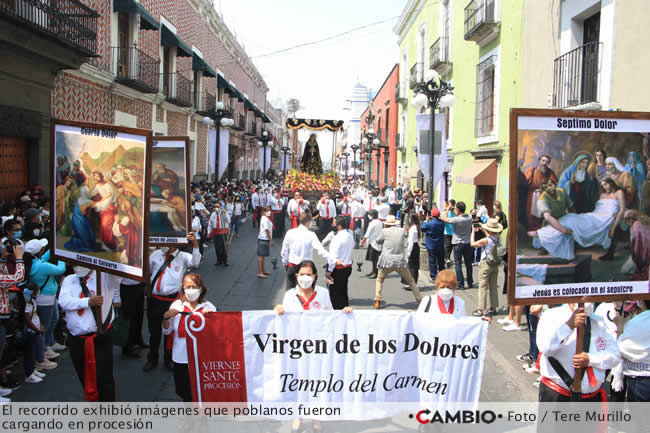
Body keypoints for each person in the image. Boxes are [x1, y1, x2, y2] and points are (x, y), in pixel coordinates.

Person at [274, 260, 351, 433]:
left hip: (318, 348)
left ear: (315, 276)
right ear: (296, 276)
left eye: (309, 274)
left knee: (317, 382)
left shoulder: (323, 294)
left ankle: (316, 417)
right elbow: (281, 317)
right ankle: (298, 416)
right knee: (298, 383)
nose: (305, 278)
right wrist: (277, 308)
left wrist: (344, 313)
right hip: (296, 348)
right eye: (302, 274)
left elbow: (332, 316)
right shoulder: (289, 295)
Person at [59, 267, 122, 401]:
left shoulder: (105, 277)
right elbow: (63, 302)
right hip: (76, 339)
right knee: (83, 374)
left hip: (100, 338)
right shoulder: (70, 280)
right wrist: (87, 302)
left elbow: (120, 273)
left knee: (104, 379)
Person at [536, 304, 620, 403]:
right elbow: (545, 347)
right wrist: (568, 326)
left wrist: (590, 359)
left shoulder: (599, 321)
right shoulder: (551, 316)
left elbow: (615, 355)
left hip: (591, 398)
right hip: (557, 394)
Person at [530, 178, 625, 261]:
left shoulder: (618, 193)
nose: (604, 187)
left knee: (570, 219)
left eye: (605, 184)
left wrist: (614, 225)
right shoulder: (602, 195)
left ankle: (542, 233)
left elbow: (622, 209)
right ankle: (544, 234)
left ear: (611, 183)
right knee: (570, 218)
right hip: (595, 216)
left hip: (605, 218)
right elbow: (597, 210)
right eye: (602, 185)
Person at [144, 234, 200, 372]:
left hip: (172, 301)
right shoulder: (156, 254)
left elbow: (196, 262)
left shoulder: (182, 257)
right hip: (155, 300)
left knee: (169, 332)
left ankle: (169, 358)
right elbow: (148, 272)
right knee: (154, 332)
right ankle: (152, 358)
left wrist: (195, 244)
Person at [162, 274, 216, 402]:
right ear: (183, 288)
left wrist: (211, 319)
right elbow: (166, 331)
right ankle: (189, 418)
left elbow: (214, 335)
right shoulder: (177, 306)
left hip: (200, 358)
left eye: (194, 287)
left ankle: (201, 417)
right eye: (188, 287)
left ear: (201, 289)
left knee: (200, 391)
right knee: (183, 390)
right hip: (181, 357)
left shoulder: (208, 307)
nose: (191, 290)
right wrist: (166, 317)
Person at [24, 239, 66, 359]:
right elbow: (60, 270)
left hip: (47, 297)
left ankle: (48, 344)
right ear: (39, 251)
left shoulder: (33, 262)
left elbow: (46, 256)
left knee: (53, 319)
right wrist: (62, 256)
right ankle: (42, 353)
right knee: (44, 326)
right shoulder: (41, 266)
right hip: (45, 298)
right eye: (43, 248)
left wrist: (56, 247)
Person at [372, 215, 423, 309]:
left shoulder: (384, 231)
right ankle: (419, 299)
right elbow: (405, 242)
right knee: (411, 281)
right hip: (399, 261)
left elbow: (378, 241)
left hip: (386, 261)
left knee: (380, 279)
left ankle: (377, 300)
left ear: (386, 224)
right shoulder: (401, 231)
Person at [280, 213, 332, 290]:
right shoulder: (311, 235)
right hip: (306, 269)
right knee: (307, 292)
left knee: (290, 292)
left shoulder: (290, 233)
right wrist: (332, 259)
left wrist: (285, 264)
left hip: (292, 266)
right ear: (308, 222)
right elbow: (320, 250)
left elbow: (284, 251)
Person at [471, 218, 503, 319]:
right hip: (495, 263)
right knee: (493, 287)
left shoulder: (486, 240)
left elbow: (473, 244)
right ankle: (493, 308)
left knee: (483, 286)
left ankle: (481, 309)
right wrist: (484, 229)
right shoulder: (498, 239)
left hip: (486, 263)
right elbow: (490, 235)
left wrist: (473, 232)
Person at [440, 201, 474, 289]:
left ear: (458, 209)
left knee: (458, 264)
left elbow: (444, 218)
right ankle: (470, 282)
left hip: (458, 243)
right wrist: (453, 210)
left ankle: (461, 283)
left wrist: (446, 210)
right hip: (467, 243)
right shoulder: (469, 217)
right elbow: (459, 214)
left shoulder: (456, 219)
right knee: (468, 263)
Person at [523, 154, 559, 231]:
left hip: (544, 196)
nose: (544, 163)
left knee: (543, 214)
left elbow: (555, 183)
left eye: (547, 162)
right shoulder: (531, 170)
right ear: (539, 161)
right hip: (533, 195)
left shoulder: (550, 173)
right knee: (531, 214)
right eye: (543, 161)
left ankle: (541, 231)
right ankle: (532, 230)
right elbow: (523, 181)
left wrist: (545, 189)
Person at [326, 216, 354, 309]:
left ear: (339, 226)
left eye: (334, 223)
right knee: (343, 291)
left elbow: (333, 256)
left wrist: (329, 270)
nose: (332, 225)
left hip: (338, 269)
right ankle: (345, 308)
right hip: (348, 266)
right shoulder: (350, 235)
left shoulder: (337, 238)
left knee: (335, 294)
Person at [22, 283, 48, 384]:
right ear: (34, 292)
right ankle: (29, 374)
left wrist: (40, 325)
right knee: (29, 354)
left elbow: (35, 316)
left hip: (35, 332)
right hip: (30, 332)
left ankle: (32, 370)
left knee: (33, 353)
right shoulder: (27, 305)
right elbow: (28, 321)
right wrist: (37, 330)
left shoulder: (32, 301)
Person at [119, 278, 147, 358]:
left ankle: (138, 340)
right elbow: (116, 277)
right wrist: (116, 297)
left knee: (139, 314)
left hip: (139, 284)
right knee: (129, 318)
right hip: (126, 287)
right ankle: (127, 346)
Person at [625, 210, 650, 281]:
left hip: (644, 254)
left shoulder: (636, 225)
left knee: (628, 270)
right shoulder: (644, 220)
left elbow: (638, 246)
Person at [421, 209, 445, 282]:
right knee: (441, 261)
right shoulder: (442, 223)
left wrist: (426, 220)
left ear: (432, 215)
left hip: (431, 244)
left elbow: (422, 227)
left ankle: (434, 277)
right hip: (440, 244)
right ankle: (442, 275)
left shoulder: (429, 224)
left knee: (432, 261)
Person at [359, 210, 382, 278]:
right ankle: (373, 271)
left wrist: (362, 242)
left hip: (373, 242)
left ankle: (375, 273)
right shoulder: (380, 222)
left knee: (374, 259)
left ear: (372, 215)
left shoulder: (372, 223)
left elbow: (367, 233)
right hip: (378, 242)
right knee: (375, 259)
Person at [401, 214, 421, 288]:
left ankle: (411, 284)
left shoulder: (413, 229)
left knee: (412, 267)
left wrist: (408, 253)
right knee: (413, 266)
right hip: (414, 247)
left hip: (413, 248)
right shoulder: (415, 227)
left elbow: (411, 242)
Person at [208, 202, 231, 266]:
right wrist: (208, 232)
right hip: (216, 233)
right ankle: (219, 260)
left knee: (224, 247)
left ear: (220, 207)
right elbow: (210, 224)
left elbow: (228, 221)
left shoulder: (224, 213)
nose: (216, 208)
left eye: (218, 206)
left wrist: (225, 213)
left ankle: (225, 261)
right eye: (215, 206)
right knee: (217, 248)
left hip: (224, 232)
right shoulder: (213, 214)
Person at [257, 206, 273, 279]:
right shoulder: (265, 219)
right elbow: (267, 230)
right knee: (261, 256)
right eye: (267, 210)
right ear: (263, 212)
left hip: (264, 239)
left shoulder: (265, 218)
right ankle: (260, 272)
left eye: (269, 210)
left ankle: (263, 270)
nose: (269, 212)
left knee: (263, 256)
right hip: (263, 238)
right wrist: (270, 240)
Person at [443, 199, 455, 267]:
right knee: (447, 246)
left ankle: (448, 257)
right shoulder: (446, 212)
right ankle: (447, 258)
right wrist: (447, 209)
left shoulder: (454, 212)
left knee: (451, 246)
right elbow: (443, 217)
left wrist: (453, 209)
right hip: (446, 232)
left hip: (453, 232)